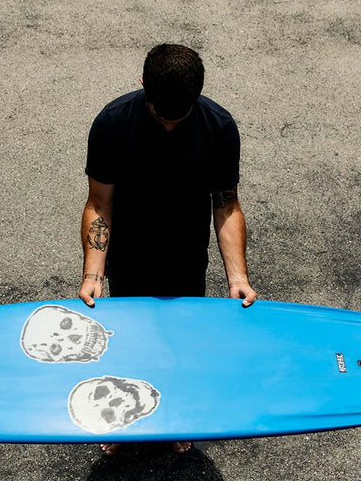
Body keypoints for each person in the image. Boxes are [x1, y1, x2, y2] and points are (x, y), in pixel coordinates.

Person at [78, 43, 257, 456]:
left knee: (181, 340)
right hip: (129, 253)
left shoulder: (219, 126)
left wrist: (239, 278)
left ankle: (175, 413)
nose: (172, 126)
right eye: (163, 116)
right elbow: (99, 203)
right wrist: (93, 274)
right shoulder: (112, 123)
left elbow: (226, 203)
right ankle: (121, 419)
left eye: (182, 116)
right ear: (143, 87)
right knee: (125, 339)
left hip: (185, 252)